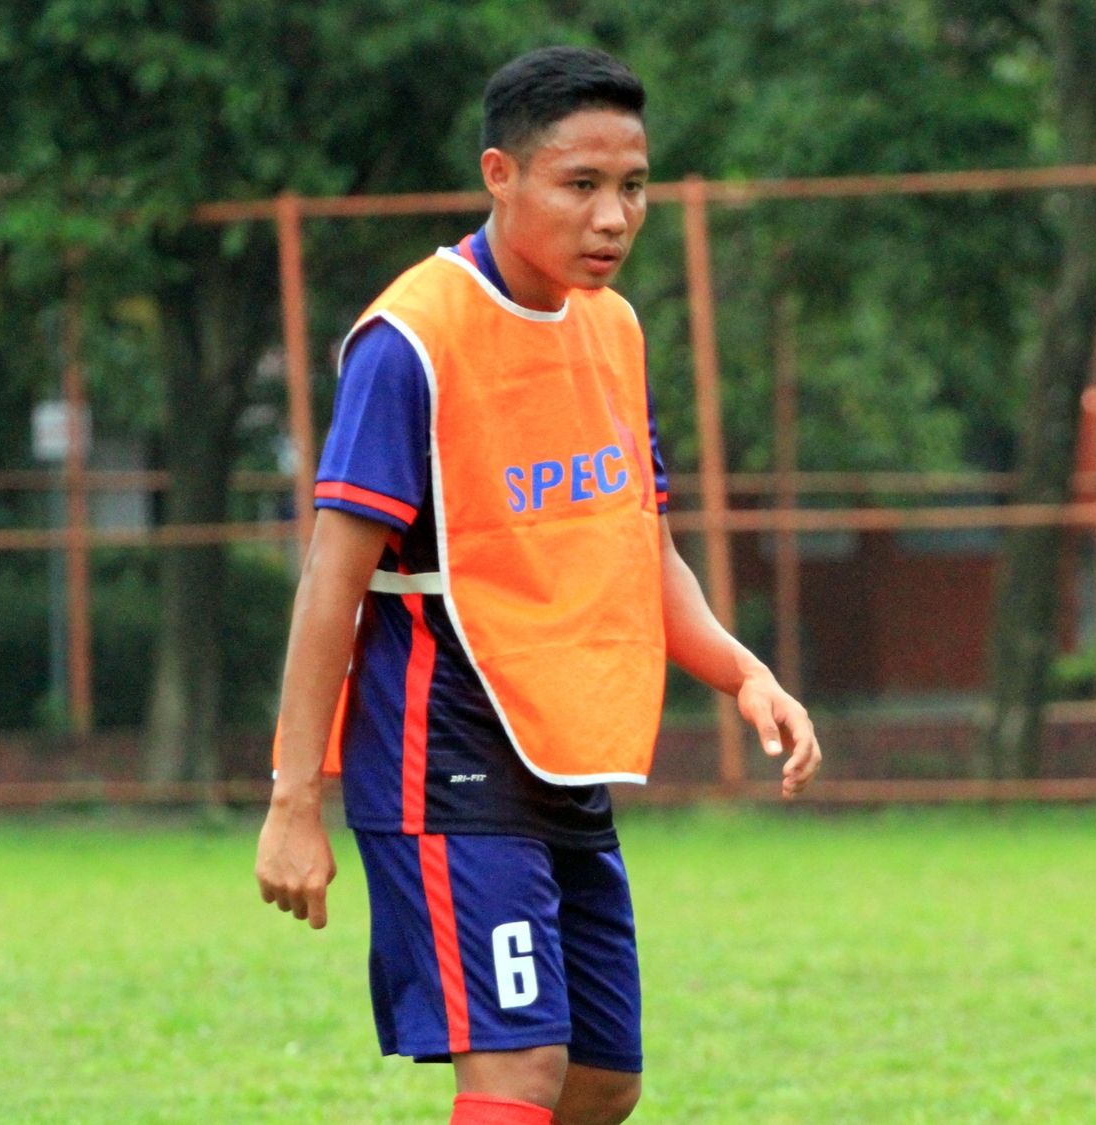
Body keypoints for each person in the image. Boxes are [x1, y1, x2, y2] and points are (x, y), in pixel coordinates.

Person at [253, 47, 821, 1125]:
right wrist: (293, 803)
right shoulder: (411, 339)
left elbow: (638, 545)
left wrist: (742, 673)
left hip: (559, 749)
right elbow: (330, 583)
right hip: (444, 748)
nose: (612, 217)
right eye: (581, 186)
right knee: (516, 1075)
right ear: (499, 175)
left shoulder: (610, 327)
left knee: (602, 1083)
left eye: (633, 187)